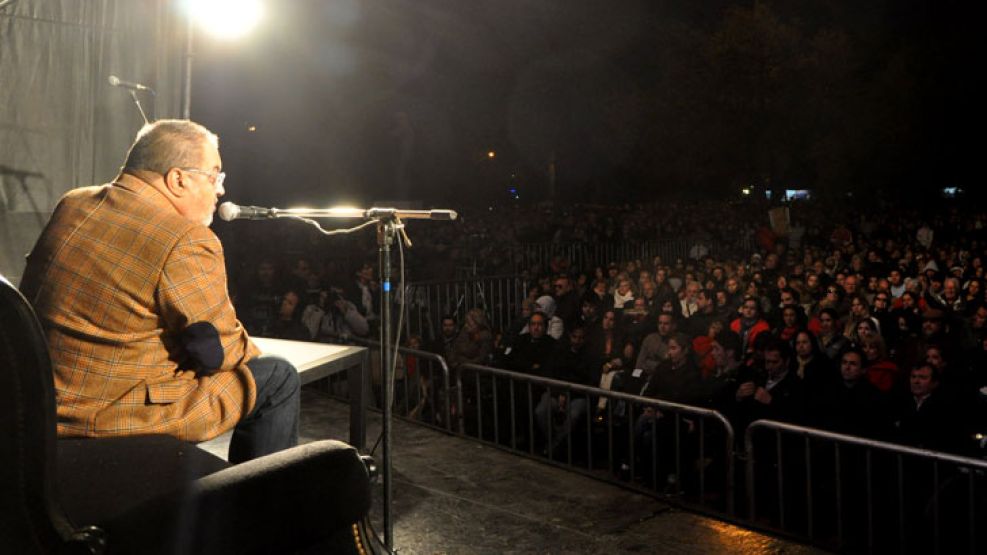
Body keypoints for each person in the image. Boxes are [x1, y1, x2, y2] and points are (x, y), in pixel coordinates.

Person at [19, 120, 298, 463]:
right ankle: (258, 508)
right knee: (278, 376)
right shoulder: (185, 239)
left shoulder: (74, 203)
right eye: (214, 176)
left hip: (40, 403)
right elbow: (219, 354)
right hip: (110, 417)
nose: (221, 190)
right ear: (178, 179)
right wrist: (247, 348)